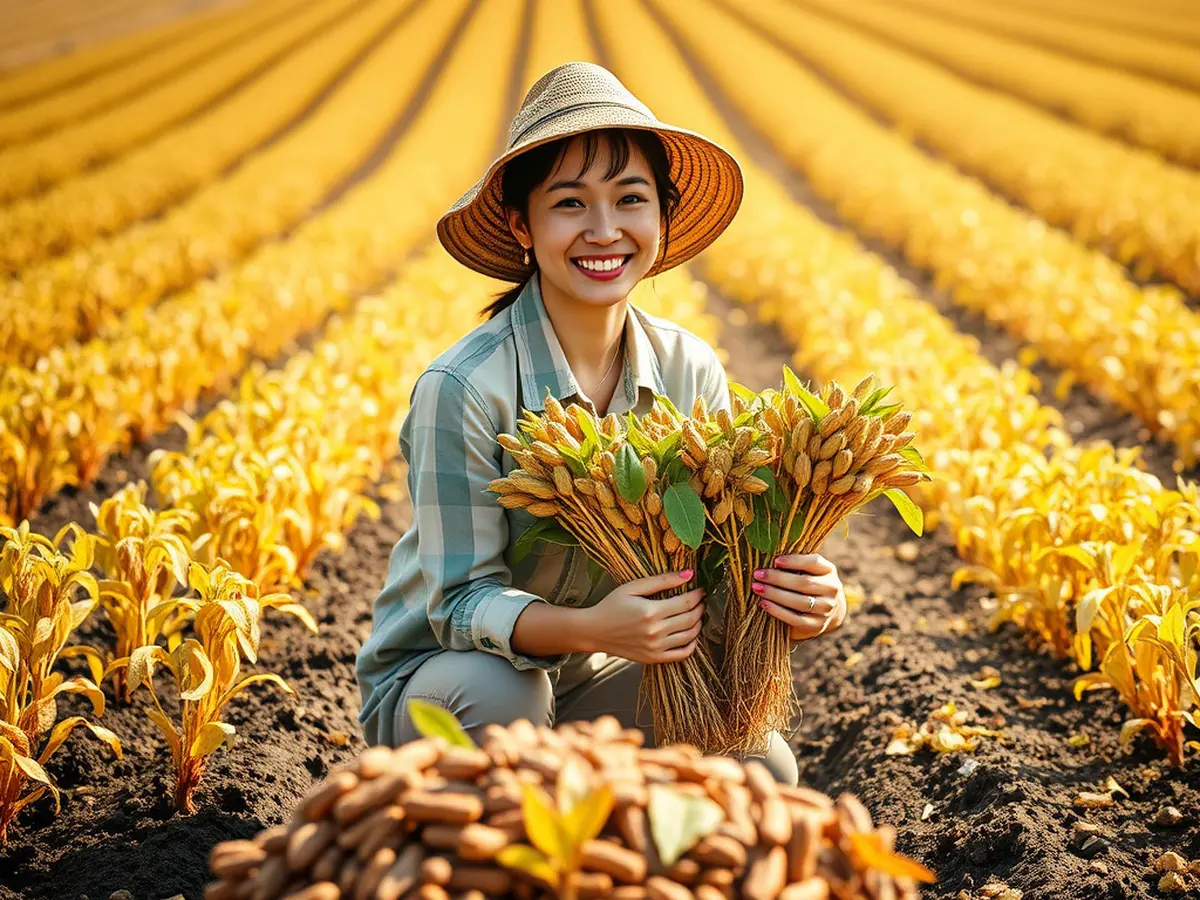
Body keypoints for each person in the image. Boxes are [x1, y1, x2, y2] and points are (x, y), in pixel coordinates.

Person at [354, 62, 847, 785]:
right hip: (451, 684)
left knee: (756, 768)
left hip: (593, 677)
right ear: (521, 225)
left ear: (662, 218)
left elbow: (720, 568)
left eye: (631, 198)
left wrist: (808, 601)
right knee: (508, 693)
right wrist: (592, 626)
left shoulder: (689, 369)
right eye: (570, 203)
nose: (605, 230)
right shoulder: (463, 387)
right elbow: (458, 604)